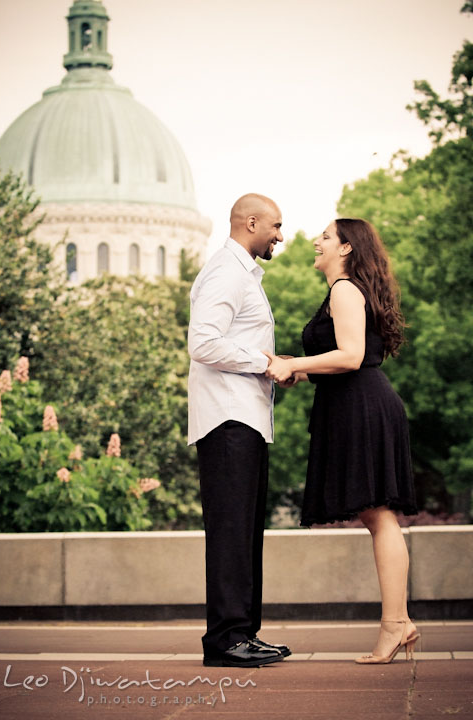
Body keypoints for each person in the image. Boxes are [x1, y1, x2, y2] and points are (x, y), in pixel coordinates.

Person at [264, 218, 419, 665]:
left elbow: (351, 357)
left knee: (380, 515)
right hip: (357, 404)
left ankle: (396, 624)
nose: (317, 242)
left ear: (347, 248)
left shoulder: (344, 290)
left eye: (326, 237)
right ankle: (399, 622)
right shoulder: (343, 291)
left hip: (362, 407)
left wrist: (295, 366)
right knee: (378, 516)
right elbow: (349, 355)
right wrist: (299, 367)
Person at [188, 193, 291, 667]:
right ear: (251, 222)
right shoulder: (227, 271)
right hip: (228, 419)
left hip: (244, 418)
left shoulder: (241, 272)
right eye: (275, 225)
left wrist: (271, 363)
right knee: (232, 531)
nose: (280, 235)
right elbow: (203, 343)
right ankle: (227, 639)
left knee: (245, 531)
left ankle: (242, 633)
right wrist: (264, 364)